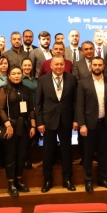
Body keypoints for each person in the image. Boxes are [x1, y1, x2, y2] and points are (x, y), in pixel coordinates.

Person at [36, 56, 78, 193]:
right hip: (48, 120)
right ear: (51, 65)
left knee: (67, 151)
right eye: (56, 64)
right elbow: (39, 103)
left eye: (61, 64)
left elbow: (76, 101)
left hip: (66, 119)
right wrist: (40, 122)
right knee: (48, 152)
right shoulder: (42, 80)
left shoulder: (72, 79)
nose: (59, 67)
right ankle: (47, 180)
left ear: (64, 65)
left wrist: (76, 120)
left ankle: (67, 179)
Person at [76, 57, 107, 193]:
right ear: (91, 66)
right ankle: (88, 180)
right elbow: (80, 106)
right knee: (88, 155)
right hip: (89, 125)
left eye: (100, 65)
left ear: (104, 66)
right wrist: (82, 124)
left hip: (105, 124)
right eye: (95, 65)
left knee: (104, 154)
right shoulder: (83, 83)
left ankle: (103, 179)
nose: (97, 67)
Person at [0, 65, 36, 197]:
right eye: (13, 73)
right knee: (11, 155)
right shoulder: (4, 89)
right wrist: (8, 125)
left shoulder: (26, 89)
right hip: (11, 126)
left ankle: (19, 180)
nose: (16, 76)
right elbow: (1, 109)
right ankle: (11, 183)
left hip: (24, 126)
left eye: (19, 73)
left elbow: (30, 108)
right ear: (9, 76)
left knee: (22, 155)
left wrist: (33, 126)